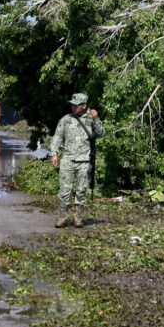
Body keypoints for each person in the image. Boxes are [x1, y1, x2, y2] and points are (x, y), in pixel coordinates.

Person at [50, 93, 105, 228]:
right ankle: (63, 217)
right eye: (72, 105)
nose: (73, 107)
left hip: (84, 161)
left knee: (81, 191)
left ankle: (78, 217)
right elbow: (57, 137)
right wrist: (54, 153)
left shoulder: (91, 119)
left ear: (84, 106)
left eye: (76, 105)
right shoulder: (66, 119)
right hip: (67, 160)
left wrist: (96, 118)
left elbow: (101, 133)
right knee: (64, 190)